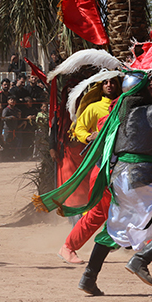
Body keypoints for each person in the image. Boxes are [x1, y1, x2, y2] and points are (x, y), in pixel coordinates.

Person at [35, 68, 152, 295]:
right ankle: (141, 259)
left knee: (114, 230)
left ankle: (89, 278)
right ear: (144, 90)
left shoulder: (116, 115)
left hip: (117, 178)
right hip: (141, 178)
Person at [57, 74, 121, 264]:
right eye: (106, 82)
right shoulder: (94, 108)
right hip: (103, 165)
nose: (109, 85)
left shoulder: (124, 105)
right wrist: (89, 137)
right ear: (100, 86)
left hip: (123, 165)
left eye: (112, 82)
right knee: (100, 212)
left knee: (133, 206)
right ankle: (68, 247)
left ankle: (151, 247)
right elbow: (79, 129)